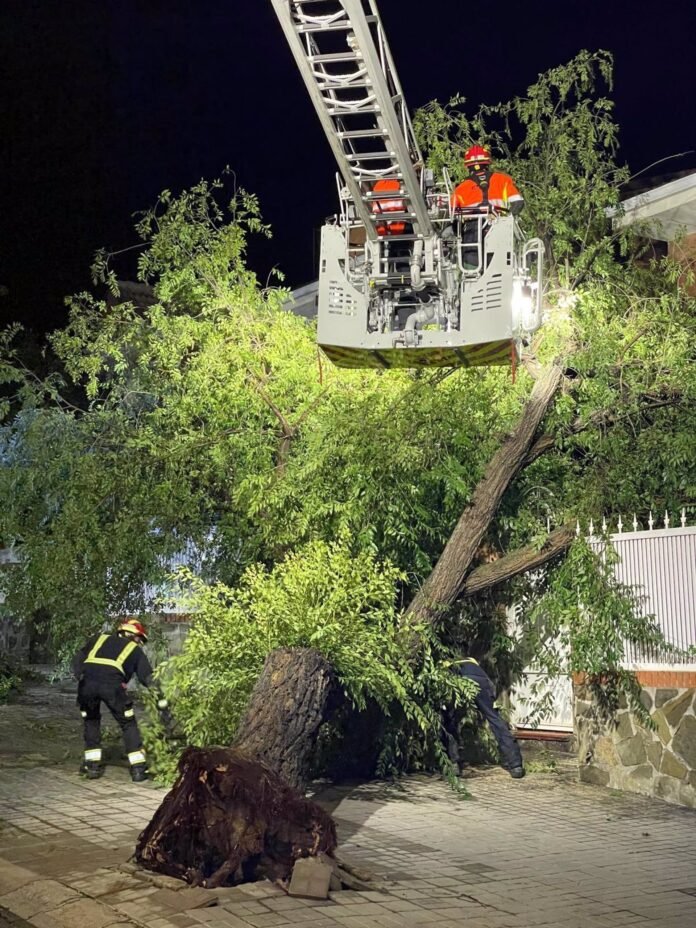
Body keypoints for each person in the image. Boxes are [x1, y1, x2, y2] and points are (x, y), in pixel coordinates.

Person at [72, 619, 169, 782]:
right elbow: (148, 678)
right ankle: (138, 770)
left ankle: (92, 767)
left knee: (91, 720)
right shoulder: (135, 650)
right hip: (112, 687)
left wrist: (81, 678)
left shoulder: (99, 638)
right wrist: (162, 702)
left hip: (86, 685)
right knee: (127, 723)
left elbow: (77, 659)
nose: (140, 643)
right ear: (133, 635)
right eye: (140, 639)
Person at [446, 655, 525, 779]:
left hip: (458, 679)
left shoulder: (442, 663)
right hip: (481, 681)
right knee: (495, 719)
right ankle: (516, 765)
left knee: (449, 719)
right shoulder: (471, 660)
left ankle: (453, 763)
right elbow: (488, 683)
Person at [451, 145, 524, 215]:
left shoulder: (461, 187)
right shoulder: (502, 179)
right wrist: (507, 219)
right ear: (487, 163)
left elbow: (450, 211)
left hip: (471, 225)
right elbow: (518, 202)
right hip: (498, 224)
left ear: (468, 166)